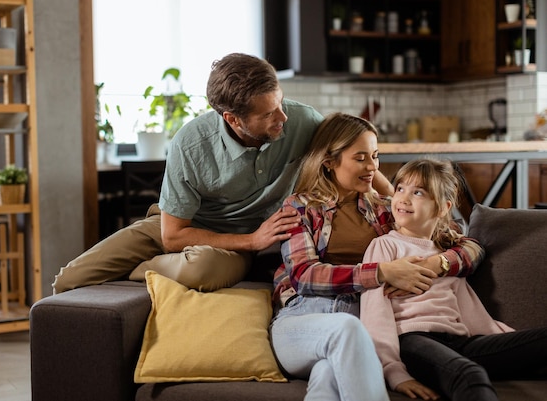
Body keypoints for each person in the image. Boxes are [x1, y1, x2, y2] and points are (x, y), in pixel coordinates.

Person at [53, 52, 331, 294]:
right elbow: (172, 235)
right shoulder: (191, 143)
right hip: (181, 226)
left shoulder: (302, 121)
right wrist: (253, 239)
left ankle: (139, 270)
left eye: (280, 104)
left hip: (234, 245)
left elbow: (356, 151)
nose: (282, 117)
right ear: (232, 119)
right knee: (70, 279)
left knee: (201, 269)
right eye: (269, 114)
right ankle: (147, 266)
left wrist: (377, 193)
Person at [270, 113, 483, 401]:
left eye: (375, 155)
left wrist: (439, 263)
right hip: (304, 320)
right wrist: (381, 272)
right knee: (347, 330)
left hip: (356, 328)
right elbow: (305, 276)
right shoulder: (300, 207)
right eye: (360, 158)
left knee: (327, 378)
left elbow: (468, 245)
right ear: (329, 161)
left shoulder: (383, 210)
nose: (372, 167)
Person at [360, 157, 547, 401]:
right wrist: (394, 371)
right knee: (470, 376)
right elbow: (375, 313)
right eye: (400, 188)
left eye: (418, 192)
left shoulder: (447, 254)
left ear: (442, 208)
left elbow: (471, 312)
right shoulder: (384, 246)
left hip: (459, 342)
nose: (403, 198)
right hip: (413, 341)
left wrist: (504, 344)